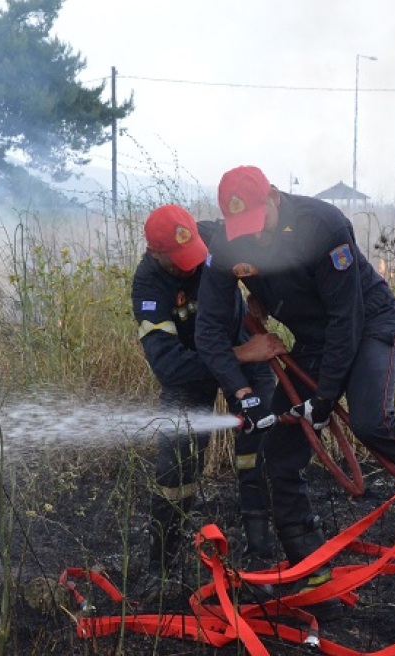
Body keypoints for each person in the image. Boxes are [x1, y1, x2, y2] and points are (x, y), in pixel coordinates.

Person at [195, 165, 395, 616]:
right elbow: (210, 332)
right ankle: (311, 574)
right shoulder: (225, 246)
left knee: (373, 422)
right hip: (314, 339)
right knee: (279, 454)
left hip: (367, 324)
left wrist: (324, 400)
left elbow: (345, 318)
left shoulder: (323, 225)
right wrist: (243, 396)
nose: (252, 238)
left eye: (257, 223)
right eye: (242, 230)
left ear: (274, 196)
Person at [131, 203, 285, 604]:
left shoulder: (217, 234)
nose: (192, 265)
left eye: (196, 254)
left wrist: (263, 294)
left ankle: (262, 563)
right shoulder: (148, 287)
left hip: (243, 349)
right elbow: (168, 367)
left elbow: (267, 253)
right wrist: (242, 355)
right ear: (156, 254)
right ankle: (160, 572)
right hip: (196, 369)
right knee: (175, 465)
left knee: (258, 451)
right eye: (181, 262)